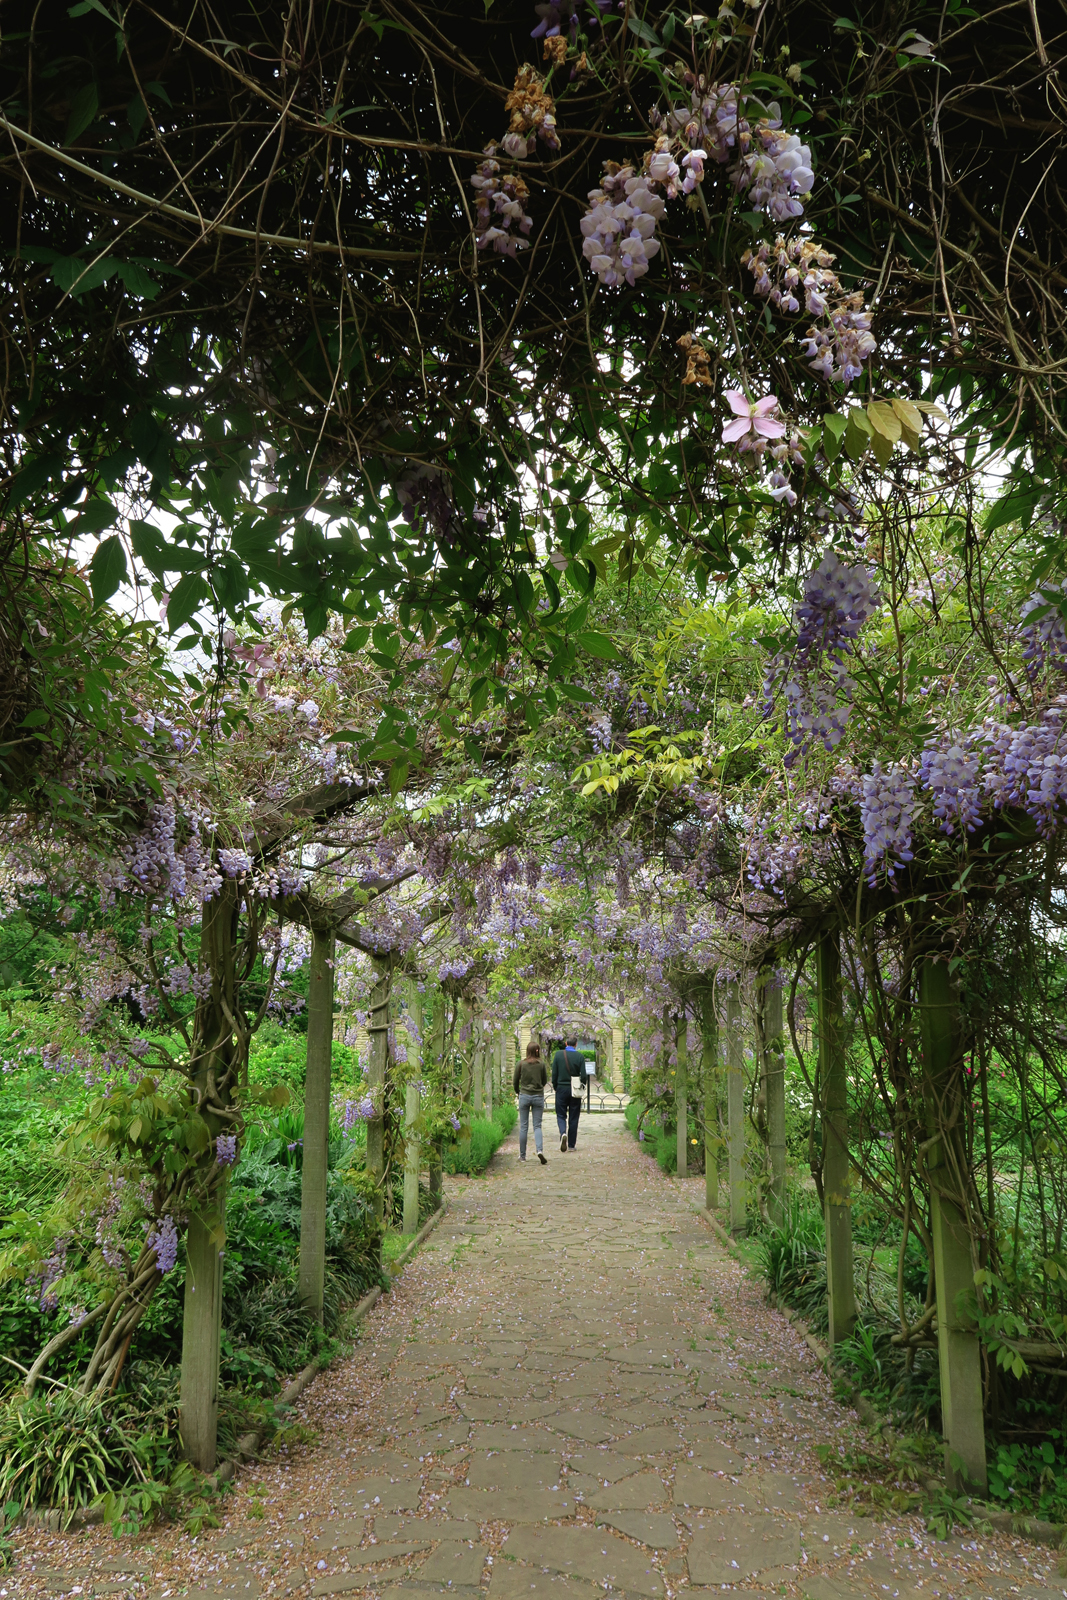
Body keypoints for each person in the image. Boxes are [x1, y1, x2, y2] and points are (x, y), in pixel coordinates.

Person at [513, 1041, 548, 1164]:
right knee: (537, 1126)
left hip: (524, 1096)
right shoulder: (541, 1064)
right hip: (538, 1096)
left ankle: (522, 1156)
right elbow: (545, 1081)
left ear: (527, 1051)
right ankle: (539, 1150)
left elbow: (515, 1081)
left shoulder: (521, 1064)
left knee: (523, 1126)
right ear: (537, 1051)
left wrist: (519, 1092)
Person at [551, 1036, 586, 1153]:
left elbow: (554, 1073)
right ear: (576, 1044)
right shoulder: (580, 1056)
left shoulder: (558, 1055)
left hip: (561, 1088)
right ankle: (571, 1145)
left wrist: (555, 1086)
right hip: (574, 1090)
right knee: (574, 1116)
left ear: (566, 1044)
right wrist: (582, 1086)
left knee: (561, 1115)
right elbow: (584, 1076)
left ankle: (563, 1133)